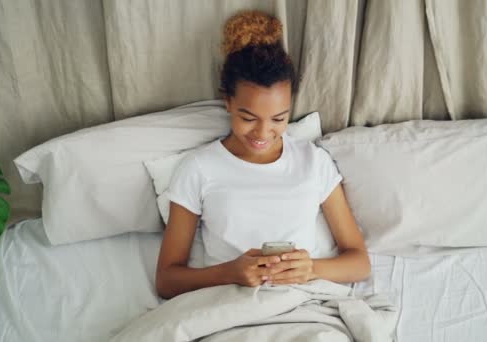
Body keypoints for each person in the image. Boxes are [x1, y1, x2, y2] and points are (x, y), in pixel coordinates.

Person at [156, 11, 370, 299]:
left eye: (278, 119)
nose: (262, 133)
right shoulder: (198, 168)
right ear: (228, 102)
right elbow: (167, 280)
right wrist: (230, 273)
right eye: (249, 118)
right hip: (229, 304)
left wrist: (312, 269)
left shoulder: (313, 161)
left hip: (303, 303)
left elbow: (359, 262)